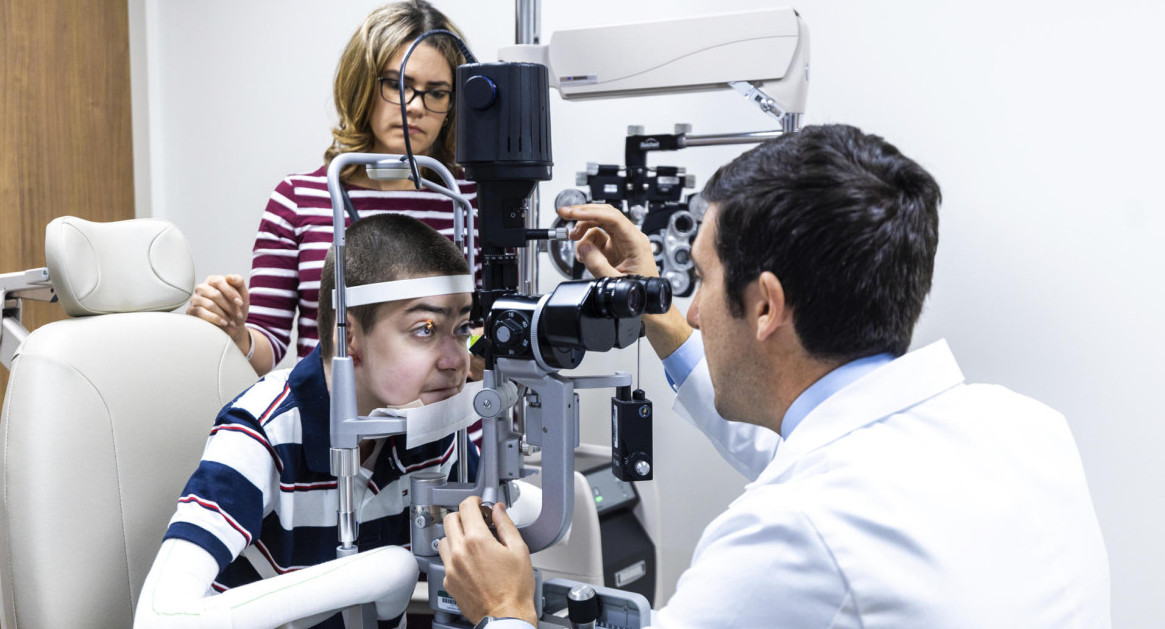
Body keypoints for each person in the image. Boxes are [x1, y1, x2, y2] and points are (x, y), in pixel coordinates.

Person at [436, 124, 1112, 628]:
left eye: (698, 279)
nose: (693, 312)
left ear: (764, 305)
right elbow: (803, 447)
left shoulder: (787, 535)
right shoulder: (1020, 425)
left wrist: (504, 609)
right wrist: (652, 308)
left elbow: (811, 512)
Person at [136, 214, 480, 629]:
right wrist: (385, 570)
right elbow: (161, 618)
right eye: (425, 329)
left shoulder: (430, 424)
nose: (457, 360)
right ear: (349, 337)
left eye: (461, 328)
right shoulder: (263, 431)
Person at [186, 0, 478, 377]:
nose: (414, 106)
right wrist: (233, 329)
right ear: (361, 84)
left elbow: (492, 333)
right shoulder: (297, 200)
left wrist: (452, 343)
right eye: (396, 84)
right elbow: (266, 349)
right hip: (336, 430)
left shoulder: (468, 201)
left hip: (447, 432)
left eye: (436, 92)